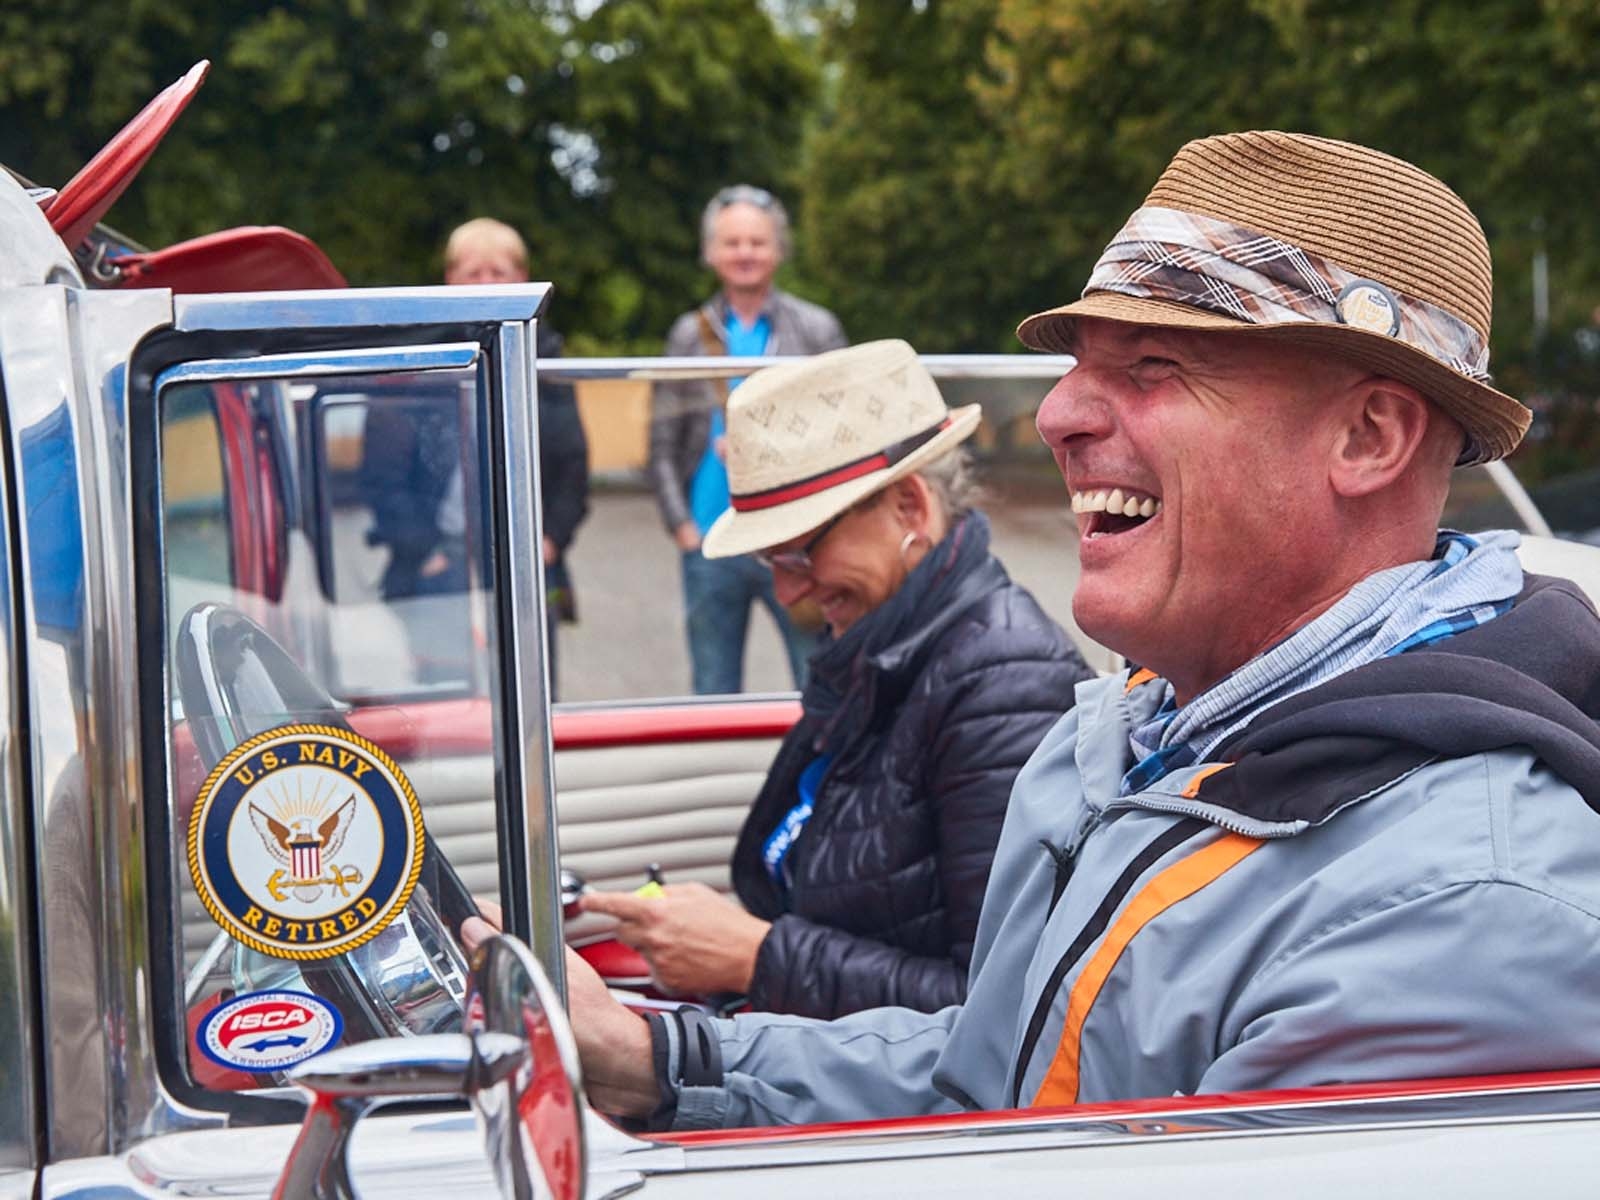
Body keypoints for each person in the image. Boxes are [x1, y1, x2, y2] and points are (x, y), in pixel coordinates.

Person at [554, 131, 1600, 1129]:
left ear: (1368, 437)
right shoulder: (1129, 729)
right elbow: (1000, 1076)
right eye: (1081, 366)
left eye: (1152, 366)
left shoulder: (1461, 910)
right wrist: (659, 1058)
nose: (1056, 417)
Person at [577, 340, 1092, 1018]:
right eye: (770, 561)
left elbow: (1002, 1013)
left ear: (910, 506)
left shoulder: (1005, 686)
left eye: (799, 552)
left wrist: (756, 957)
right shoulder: (887, 646)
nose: (786, 592)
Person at [362, 218, 589, 693]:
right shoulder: (417, 362)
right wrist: (423, 550)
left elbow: (572, 463)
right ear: (450, 279)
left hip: (526, 556)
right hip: (437, 560)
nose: (486, 285)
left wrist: (550, 538)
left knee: (531, 687)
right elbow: (382, 476)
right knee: (444, 690)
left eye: (498, 272)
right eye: (473, 273)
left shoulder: (545, 360)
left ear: (522, 278)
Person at [650, 184, 848, 695]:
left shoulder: (817, 329)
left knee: (821, 683)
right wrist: (681, 526)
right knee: (713, 691)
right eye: (732, 242)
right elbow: (662, 441)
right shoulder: (688, 335)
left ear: (779, 249)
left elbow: (846, 433)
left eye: (757, 242)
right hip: (710, 539)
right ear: (711, 252)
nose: (745, 253)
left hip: (798, 541)